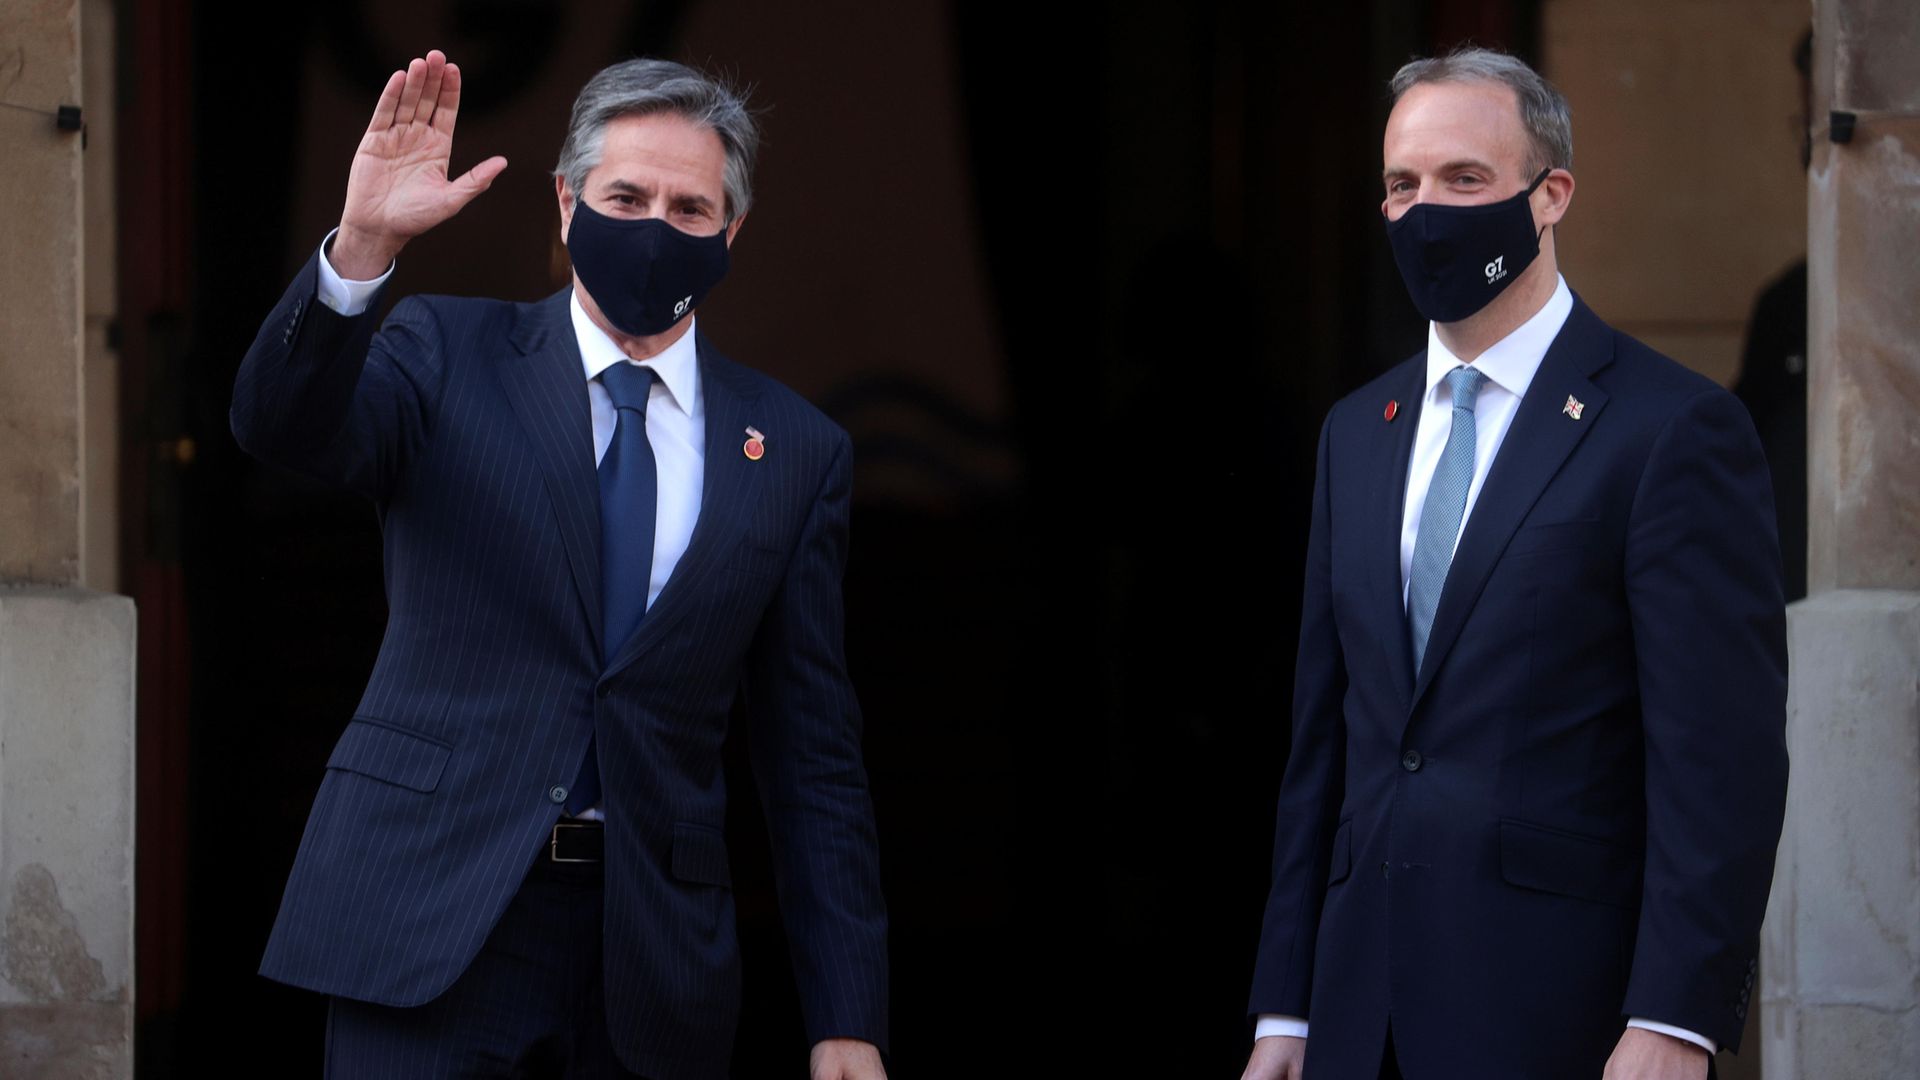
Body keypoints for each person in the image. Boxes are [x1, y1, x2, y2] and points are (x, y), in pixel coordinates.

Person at [230, 51, 888, 1080]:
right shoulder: (445, 352)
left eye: (688, 206)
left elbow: (814, 755)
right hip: (430, 916)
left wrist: (848, 1017)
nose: (654, 227)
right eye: (626, 196)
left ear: (732, 232)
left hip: (650, 957)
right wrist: (361, 248)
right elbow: (280, 428)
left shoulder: (796, 451)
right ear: (567, 201)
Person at [1240, 47, 1788, 1080]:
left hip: (1560, 1017)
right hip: (1359, 1022)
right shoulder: (1355, 434)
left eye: (1465, 180)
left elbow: (1719, 762)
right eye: (1403, 185)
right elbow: (1325, 751)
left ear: (1551, 196)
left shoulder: (1672, 430)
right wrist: (1286, 1009)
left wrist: (1676, 1018)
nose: (1426, 211)